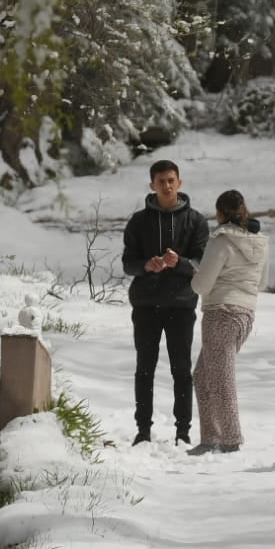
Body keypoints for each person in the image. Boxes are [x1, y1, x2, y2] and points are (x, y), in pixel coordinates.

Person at [121, 159, 209, 446]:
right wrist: (147, 265)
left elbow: (201, 262)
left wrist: (179, 262)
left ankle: (182, 431)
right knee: (144, 368)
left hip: (181, 305)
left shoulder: (196, 221)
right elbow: (128, 263)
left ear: (179, 183)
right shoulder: (138, 221)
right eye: (161, 181)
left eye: (171, 180)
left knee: (181, 369)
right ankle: (142, 430)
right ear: (152, 185)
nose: (167, 186)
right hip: (146, 304)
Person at [186, 190, 271, 455]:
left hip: (221, 312)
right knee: (202, 374)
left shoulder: (221, 241)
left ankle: (231, 440)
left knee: (221, 378)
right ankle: (210, 437)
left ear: (220, 212)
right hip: (245, 313)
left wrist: (193, 274)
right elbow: (263, 282)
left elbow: (202, 284)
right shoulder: (260, 242)